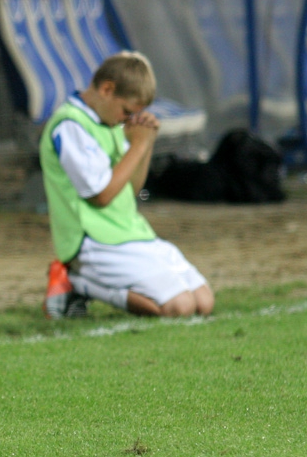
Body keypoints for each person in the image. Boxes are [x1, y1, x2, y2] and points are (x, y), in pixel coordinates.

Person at [39, 51, 214, 319]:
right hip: (93, 241)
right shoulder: (71, 125)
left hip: (130, 232)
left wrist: (145, 144)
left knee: (203, 301)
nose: (127, 119)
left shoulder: (107, 120)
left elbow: (131, 190)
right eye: (127, 111)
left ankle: (84, 282)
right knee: (181, 307)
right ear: (107, 89)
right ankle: (77, 282)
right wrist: (139, 145)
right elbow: (101, 195)